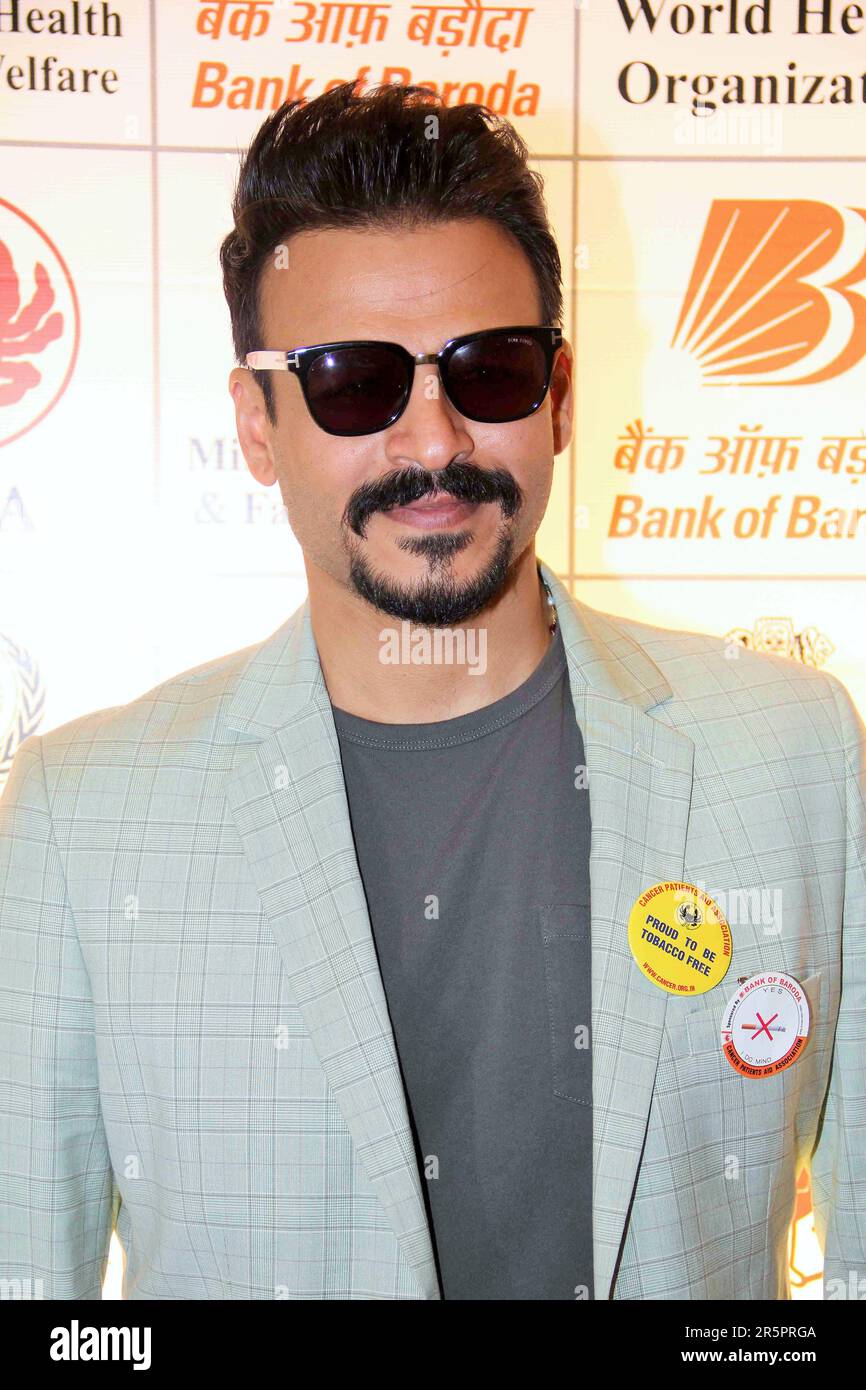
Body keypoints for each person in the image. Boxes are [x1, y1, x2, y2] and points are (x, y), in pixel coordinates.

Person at [0, 80, 863, 1302]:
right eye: (355, 381)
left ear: (558, 397)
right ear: (257, 424)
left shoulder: (791, 755)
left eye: (489, 370)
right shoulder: (83, 815)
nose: (433, 442)